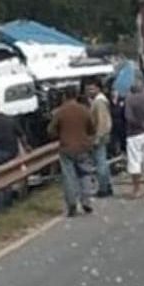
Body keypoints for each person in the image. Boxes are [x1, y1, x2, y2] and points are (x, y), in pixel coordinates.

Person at [48, 86, 96, 217]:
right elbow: (92, 128)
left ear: (64, 96)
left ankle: (72, 204)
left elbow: (50, 131)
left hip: (66, 147)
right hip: (83, 147)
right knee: (85, 174)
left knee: (69, 177)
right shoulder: (84, 110)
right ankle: (86, 201)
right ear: (76, 95)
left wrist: (60, 133)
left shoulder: (60, 112)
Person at [125, 81, 144, 198]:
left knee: (135, 162)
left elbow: (128, 117)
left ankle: (136, 189)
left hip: (134, 134)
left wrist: (140, 125)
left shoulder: (130, 100)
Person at [86, 79, 114, 198]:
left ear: (98, 88)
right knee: (102, 162)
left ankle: (103, 188)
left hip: (99, 136)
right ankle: (106, 185)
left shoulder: (99, 102)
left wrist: (98, 137)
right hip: (101, 135)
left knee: (100, 163)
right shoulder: (98, 101)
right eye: (88, 89)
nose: (89, 91)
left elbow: (103, 121)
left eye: (92, 89)